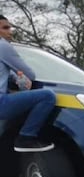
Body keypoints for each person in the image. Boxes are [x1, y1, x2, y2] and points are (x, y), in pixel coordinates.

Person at [0, 14, 57, 153]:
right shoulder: (3, 46)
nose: (10, 31)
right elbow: (30, 75)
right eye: (5, 28)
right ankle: (26, 138)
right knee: (48, 96)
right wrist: (20, 76)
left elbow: (11, 76)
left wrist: (15, 76)